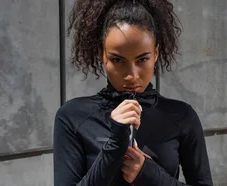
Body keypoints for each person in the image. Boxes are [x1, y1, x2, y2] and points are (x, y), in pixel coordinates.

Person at [53, 0, 213, 185]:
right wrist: (114, 148)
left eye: (142, 59)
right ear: (101, 55)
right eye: (118, 60)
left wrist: (149, 173)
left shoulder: (182, 116)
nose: (131, 75)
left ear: (156, 54)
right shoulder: (72, 116)